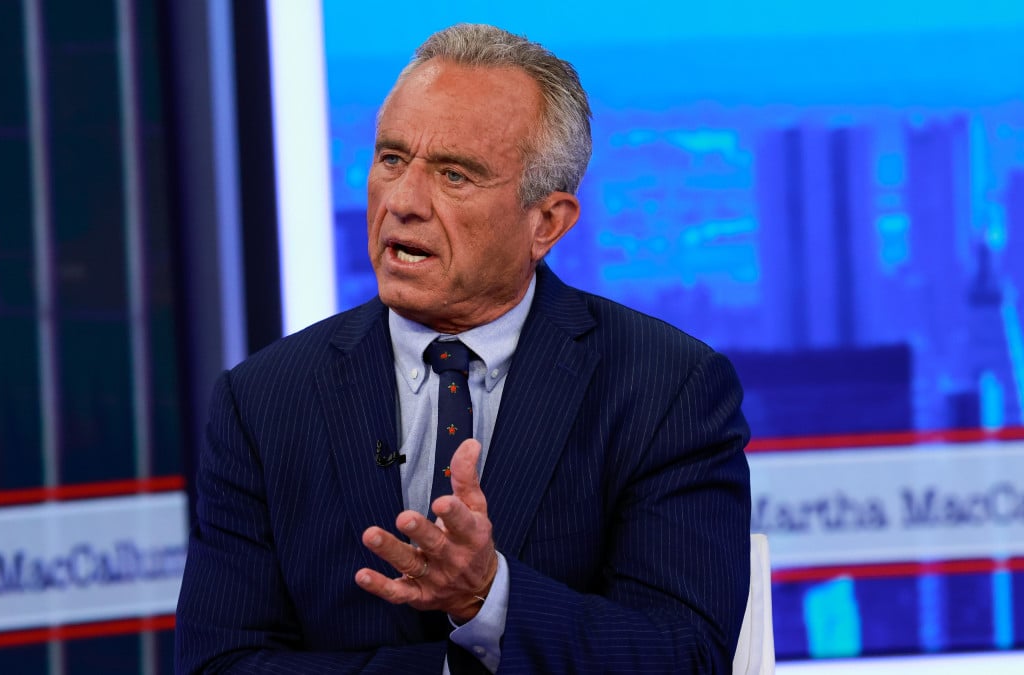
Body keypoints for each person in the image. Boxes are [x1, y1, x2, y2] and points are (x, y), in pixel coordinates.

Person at [176, 23, 751, 674]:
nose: (402, 201)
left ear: (547, 223)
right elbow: (218, 665)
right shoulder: (263, 399)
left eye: (454, 174)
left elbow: (687, 655)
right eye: (392, 159)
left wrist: (488, 597)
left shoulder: (665, 388)